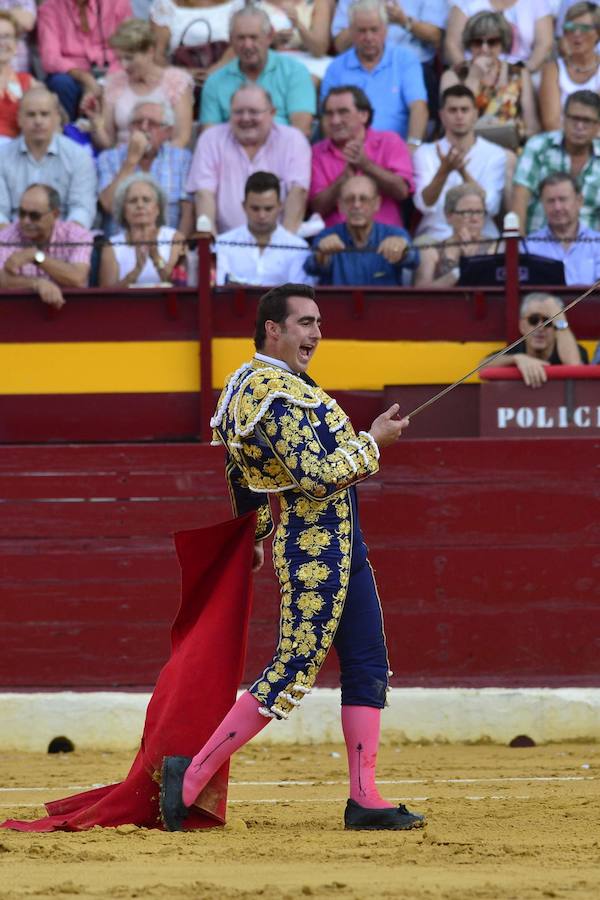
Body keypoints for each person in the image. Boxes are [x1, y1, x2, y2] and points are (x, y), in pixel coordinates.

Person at [159, 281, 426, 833]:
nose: (317, 335)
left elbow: (240, 469)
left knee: (368, 661)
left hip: (341, 541)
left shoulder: (258, 386)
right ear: (272, 329)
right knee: (293, 667)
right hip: (315, 543)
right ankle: (189, 777)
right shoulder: (271, 392)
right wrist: (373, 442)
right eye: (306, 323)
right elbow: (312, 476)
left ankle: (364, 796)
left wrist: (254, 532)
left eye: (319, 324)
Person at [187, 84, 310, 235]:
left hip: (279, 239)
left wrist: (284, 245)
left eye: (253, 112)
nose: (245, 118)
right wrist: (212, 247)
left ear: (272, 113)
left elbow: (298, 193)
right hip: (224, 243)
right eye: (238, 112)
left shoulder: (293, 140)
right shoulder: (211, 139)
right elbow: (203, 194)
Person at [199, 6, 316, 139]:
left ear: (270, 36)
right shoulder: (215, 82)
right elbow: (209, 139)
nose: (247, 45)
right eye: (241, 38)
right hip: (230, 157)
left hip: (282, 155)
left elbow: (300, 134)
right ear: (231, 40)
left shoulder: (295, 72)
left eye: (254, 37)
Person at [320, 0, 428, 145]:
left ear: (385, 30)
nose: (368, 38)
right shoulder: (336, 68)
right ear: (351, 32)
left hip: (394, 153)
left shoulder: (405, 60)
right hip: (347, 151)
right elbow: (326, 118)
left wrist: (413, 146)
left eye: (374, 30)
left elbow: (418, 107)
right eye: (362, 31)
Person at [413, 85, 513, 240]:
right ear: (441, 115)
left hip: (482, 236)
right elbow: (424, 205)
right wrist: (443, 171)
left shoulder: (495, 154)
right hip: (436, 237)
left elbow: (490, 207)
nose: (459, 116)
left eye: (465, 110)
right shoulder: (424, 152)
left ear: (475, 114)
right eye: (453, 110)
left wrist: (463, 171)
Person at [310, 85, 414, 229]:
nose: (335, 121)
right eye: (329, 114)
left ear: (364, 115)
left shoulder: (390, 141)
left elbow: (402, 191)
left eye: (343, 112)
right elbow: (317, 207)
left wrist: (366, 166)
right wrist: (343, 180)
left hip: (387, 239)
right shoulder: (317, 152)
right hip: (336, 241)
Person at [83, 18, 193, 149]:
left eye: (129, 58)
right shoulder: (113, 83)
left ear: (150, 52)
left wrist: (153, 164)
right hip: (122, 162)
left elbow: (182, 138)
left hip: (165, 162)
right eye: (120, 59)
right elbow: (108, 144)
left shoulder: (176, 81)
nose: (124, 65)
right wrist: (95, 121)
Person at [0, 87, 97, 229]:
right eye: (31, 115)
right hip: (12, 239)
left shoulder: (78, 157)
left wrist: (64, 242)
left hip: (64, 240)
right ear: (19, 119)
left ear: (57, 117)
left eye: (44, 114)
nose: (38, 121)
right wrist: (12, 244)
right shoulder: (2, 157)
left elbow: (82, 209)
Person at [440, 11, 539, 145]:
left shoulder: (519, 73)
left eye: (492, 42)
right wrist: (473, 76)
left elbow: (531, 125)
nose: (484, 49)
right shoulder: (453, 75)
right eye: (477, 42)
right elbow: (451, 120)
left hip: (510, 148)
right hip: (466, 147)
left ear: (502, 43)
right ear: (469, 43)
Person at [97, 101, 193, 237]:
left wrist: (178, 250)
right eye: (137, 122)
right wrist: (131, 161)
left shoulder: (182, 159)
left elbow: (187, 213)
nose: (144, 127)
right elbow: (108, 205)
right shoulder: (108, 158)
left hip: (167, 247)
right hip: (119, 248)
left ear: (167, 132)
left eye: (152, 124)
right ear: (130, 128)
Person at [331, 0, 446, 113]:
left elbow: (436, 37)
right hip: (361, 64)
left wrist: (404, 21)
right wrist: (364, 20)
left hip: (414, 65)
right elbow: (340, 45)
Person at [512, 90, 600, 234]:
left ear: (598, 126)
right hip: (538, 248)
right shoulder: (539, 146)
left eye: (587, 121)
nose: (579, 126)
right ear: (563, 119)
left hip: (590, 252)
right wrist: (519, 251)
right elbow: (519, 200)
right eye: (574, 118)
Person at [305, 173, 417, 285]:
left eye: (364, 199)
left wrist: (402, 249)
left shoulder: (394, 234)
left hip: (383, 303)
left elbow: (415, 259)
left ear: (377, 204)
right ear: (340, 205)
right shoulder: (326, 236)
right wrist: (321, 255)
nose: (357, 205)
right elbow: (310, 267)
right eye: (350, 199)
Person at [0, 182, 92, 308]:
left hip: (72, 312)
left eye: (34, 216)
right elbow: (1, 279)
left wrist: (37, 257)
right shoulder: (7, 236)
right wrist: (36, 283)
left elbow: (78, 279)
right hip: (21, 314)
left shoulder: (77, 235)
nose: (26, 221)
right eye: (22, 213)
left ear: (55, 215)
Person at [37, 0, 132, 122]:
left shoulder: (117, 3)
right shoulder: (50, 7)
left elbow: (129, 47)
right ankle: (68, 133)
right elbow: (50, 58)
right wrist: (86, 78)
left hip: (112, 71)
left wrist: (106, 81)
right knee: (61, 83)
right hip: (72, 75)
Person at [215, 171, 312, 286]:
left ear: (280, 206)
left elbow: (299, 295)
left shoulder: (299, 248)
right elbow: (219, 289)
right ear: (244, 206)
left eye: (268, 209)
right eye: (255, 209)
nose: (262, 215)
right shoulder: (222, 244)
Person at [481, 291, 589, 388]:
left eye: (548, 321)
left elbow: (574, 365)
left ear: (556, 327)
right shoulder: (517, 350)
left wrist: (559, 317)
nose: (540, 327)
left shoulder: (572, 350)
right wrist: (516, 358)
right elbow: (483, 367)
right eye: (533, 320)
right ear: (522, 326)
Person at [99, 173, 185, 287]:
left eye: (146, 200)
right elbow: (106, 296)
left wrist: (156, 258)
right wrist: (136, 271)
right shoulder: (112, 246)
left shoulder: (174, 238)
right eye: (133, 201)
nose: (140, 205)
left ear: (157, 208)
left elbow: (178, 285)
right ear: (124, 211)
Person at [414, 184, 502, 287]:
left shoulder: (497, 248)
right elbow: (421, 295)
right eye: (467, 212)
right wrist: (461, 270)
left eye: (479, 212)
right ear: (449, 216)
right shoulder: (431, 252)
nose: (474, 219)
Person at [523, 171, 600, 285]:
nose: (557, 207)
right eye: (550, 201)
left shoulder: (597, 244)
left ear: (579, 201)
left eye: (563, 199)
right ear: (542, 204)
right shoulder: (528, 247)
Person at [444, 0, 554, 77]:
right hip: (472, 70)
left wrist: (524, 72)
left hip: (522, 71)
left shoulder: (537, 2)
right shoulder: (465, 2)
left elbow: (545, 43)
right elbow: (452, 44)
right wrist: (468, 72)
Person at [539, 2, 600, 133]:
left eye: (584, 28)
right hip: (563, 145)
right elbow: (551, 123)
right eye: (570, 27)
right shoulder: (553, 70)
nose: (576, 33)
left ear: (598, 33)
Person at [258, 0, 335, 81]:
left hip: (308, 64)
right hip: (268, 61)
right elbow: (248, 42)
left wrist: (298, 24)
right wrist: (272, 40)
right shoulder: (255, 2)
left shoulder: (319, 2)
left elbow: (319, 50)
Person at [0, 10, 38, 145]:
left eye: (7, 36)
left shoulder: (28, 82)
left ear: (16, 45)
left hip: (16, 156)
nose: (2, 42)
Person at [0, 1, 36, 74]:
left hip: (19, 69)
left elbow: (27, 22)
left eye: (7, 36)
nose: (2, 42)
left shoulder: (16, 79)